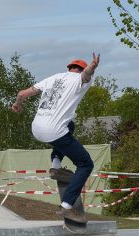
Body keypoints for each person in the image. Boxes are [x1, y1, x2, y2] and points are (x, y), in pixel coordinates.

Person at [11, 53, 100, 223]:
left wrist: (17, 104)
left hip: (36, 128)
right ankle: (66, 207)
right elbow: (86, 75)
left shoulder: (54, 78)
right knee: (85, 164)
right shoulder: (79, 80)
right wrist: (92, 67)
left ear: (69, 68)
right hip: (54, 132)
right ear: (79, 69)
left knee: (70, 124)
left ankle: (56, 165)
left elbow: (22, 94)